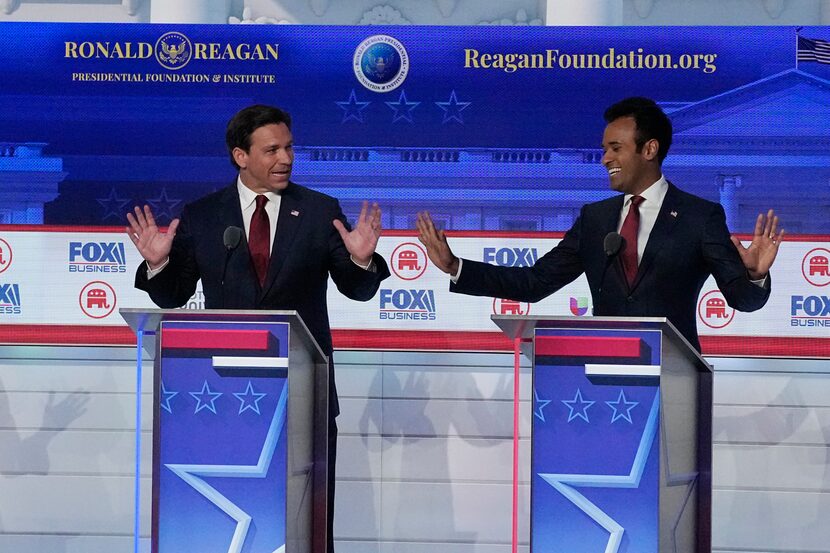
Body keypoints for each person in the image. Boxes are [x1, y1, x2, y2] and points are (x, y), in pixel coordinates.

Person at [126, 104, 390, 553]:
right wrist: (158, 264)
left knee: (307, 519)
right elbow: (172, 296)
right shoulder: (204, 215)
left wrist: (362, 259)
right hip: (225, 394)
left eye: (289, 147)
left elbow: (357, 289)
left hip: (305, 392)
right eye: (271, 150)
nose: (285, 158)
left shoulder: (318, 211)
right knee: (233, 509)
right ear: (240, 156)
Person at [416, 96, 783, 352]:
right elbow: (534, 283)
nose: (605, 158)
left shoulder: (700, 217)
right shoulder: (595, 219)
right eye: (604, 148)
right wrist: (455, 267)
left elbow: (741, 300)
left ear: (649, 149)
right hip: (598, 374)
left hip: (673, 377)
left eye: (615, 148)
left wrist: (753, 276)